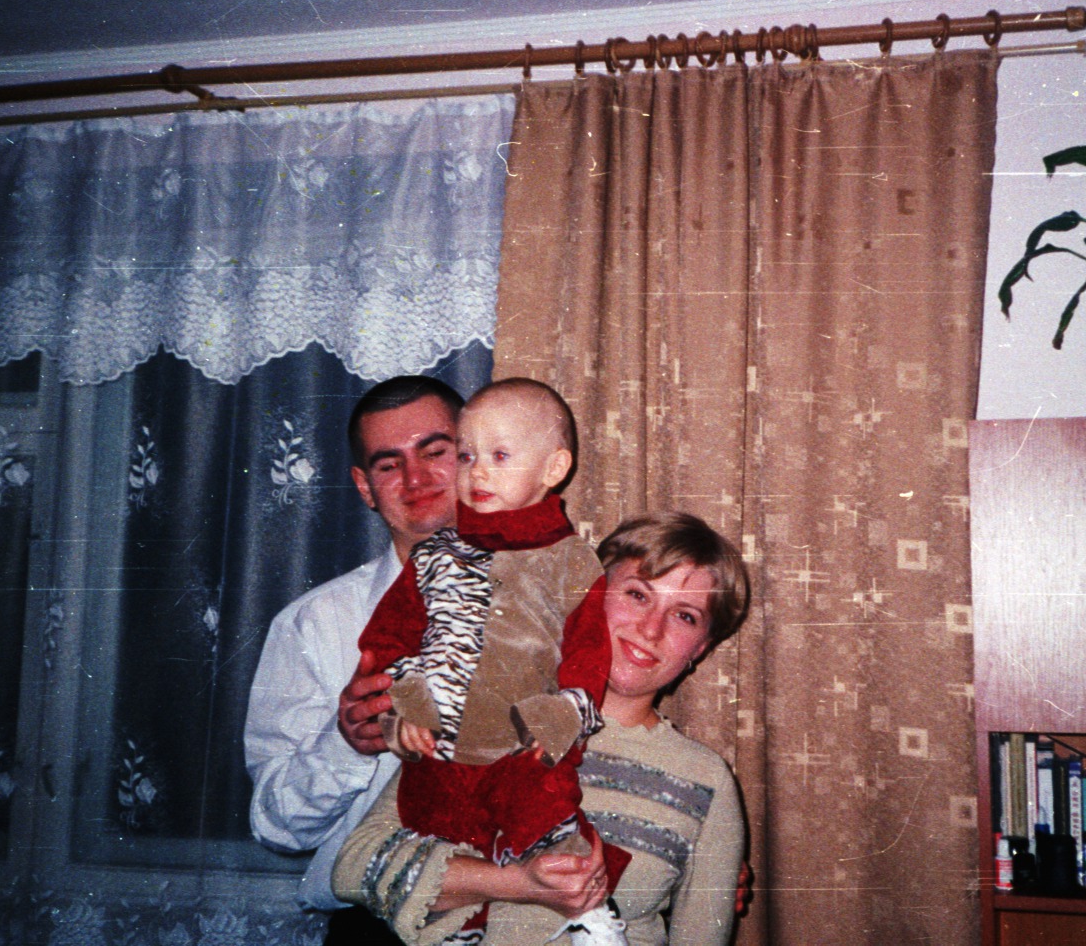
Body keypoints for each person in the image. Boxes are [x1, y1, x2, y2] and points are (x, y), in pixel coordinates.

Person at [333, 511, 750, 946]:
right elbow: (353, 868)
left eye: (685, 616)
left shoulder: (706, 780)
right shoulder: (490, 714)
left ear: (701, 649)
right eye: (637, 594)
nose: (651, 629)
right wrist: (515, 884)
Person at [355, 377, 630, 945]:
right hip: (441, 748)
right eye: (466, 456)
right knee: (435, 832)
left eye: (499, 457)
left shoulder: (570, 559)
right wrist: (403, 709)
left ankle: (590, 912)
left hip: (520, 742)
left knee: (544, 808)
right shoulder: (434, 557)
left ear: (553, 468)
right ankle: (456, 933)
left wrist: (567, 709)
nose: (476, 472)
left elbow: (588, 649)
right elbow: (388, 641)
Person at [245, 375, 464, 944]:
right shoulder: (313, 624)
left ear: (472, 456)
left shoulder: (553, 599)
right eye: (389, 464)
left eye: (434, 452)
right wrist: (344, 745)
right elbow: (276, 827)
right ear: (365, 487)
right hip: (375, 926)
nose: (415, 479)